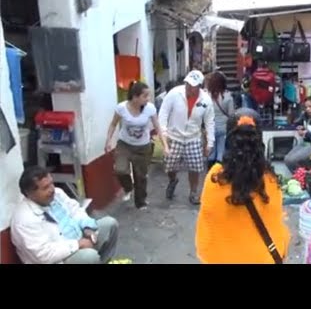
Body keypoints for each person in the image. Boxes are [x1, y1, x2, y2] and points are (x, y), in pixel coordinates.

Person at [195, 115, 290, 264]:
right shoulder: (270, 179)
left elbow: (206, 227)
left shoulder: (214, 178)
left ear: (228, 140)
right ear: (259, 141)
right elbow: (277, 227)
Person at [10, 166, 119, 264]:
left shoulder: (57, 194)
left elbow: (76, 211)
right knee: (90, 256)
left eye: (51, 183)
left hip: (79, 239)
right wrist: (78, 244)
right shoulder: (24, 219)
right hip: (59, 258)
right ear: (30, 193)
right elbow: (43, 256)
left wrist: (87, 227)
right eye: (45, 188)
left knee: (110, 224)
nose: (52, 189)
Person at [105, 81, 166, 210]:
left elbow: (158, 127)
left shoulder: (150, 108)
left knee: (141, 176)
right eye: (145, 96)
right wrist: (108, 140)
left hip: (143, 147)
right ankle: (128, 187)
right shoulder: (121, 108)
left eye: (148, 96)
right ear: (135, 96)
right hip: (124, 145)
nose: (148, 99)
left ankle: (141, 202)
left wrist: (165, 146)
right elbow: (113, 124)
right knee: (120, 170)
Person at [158, 70, 215, 205]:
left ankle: (193, 192)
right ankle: (173, 180)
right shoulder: (174, 94)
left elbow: (209, 121)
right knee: (170, 166)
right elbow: (163, 114)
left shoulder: (206, 100)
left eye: (193, 85)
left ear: (199, 86)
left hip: (193, 137)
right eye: (188, 84)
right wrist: (164, 133)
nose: (189, 87)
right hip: (174, 136)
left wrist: (210, 142)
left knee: (195, 167)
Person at [284, 96, 311, 173]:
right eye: (306, 107)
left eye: (310, 107)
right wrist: (299, 128)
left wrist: (307, 133)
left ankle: (301, 177)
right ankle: (300, 176)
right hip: (304, 143)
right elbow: (295, 123)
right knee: (287, 159)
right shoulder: (305, 115)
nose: (308, 109)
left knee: (291, 160)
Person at [206, 71, 235, 169]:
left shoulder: (206, 96)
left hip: (210, 127)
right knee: (221, 152)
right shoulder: (227, 97)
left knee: (211, 153)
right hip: (223, 128)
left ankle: (210, 174)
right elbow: (231, 115)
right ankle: (219, 173)